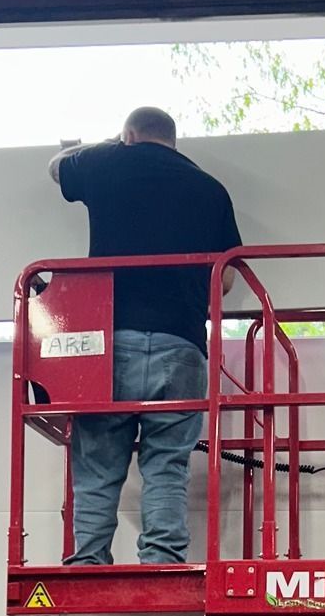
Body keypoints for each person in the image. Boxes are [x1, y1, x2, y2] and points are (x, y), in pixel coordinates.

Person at [50, 107, 241, 565]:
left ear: (129, 135)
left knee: (97, 461)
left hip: (110, 342)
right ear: (173, 140)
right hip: (182, 346)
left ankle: (88, 559)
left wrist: (99, 144)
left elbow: (56, 169)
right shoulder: (211, 189)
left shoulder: (110, 161)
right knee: (167, 465)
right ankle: (162, 558)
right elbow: (227, 281)